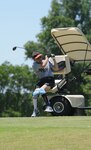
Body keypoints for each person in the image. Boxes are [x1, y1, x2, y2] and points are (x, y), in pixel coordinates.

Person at [31, 51, 59, 117]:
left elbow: (56, 68)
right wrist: (47, 58)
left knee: (41, 90)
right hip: (42, 80)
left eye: (40, 57)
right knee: (35, 93)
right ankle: (35, 110)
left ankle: (49, 106)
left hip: (50, 80)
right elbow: (43, 66)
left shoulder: (48, 62)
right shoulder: (34, 65)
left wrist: (54, 59)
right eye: (38, 58)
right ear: (34, 59)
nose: (40, 59)